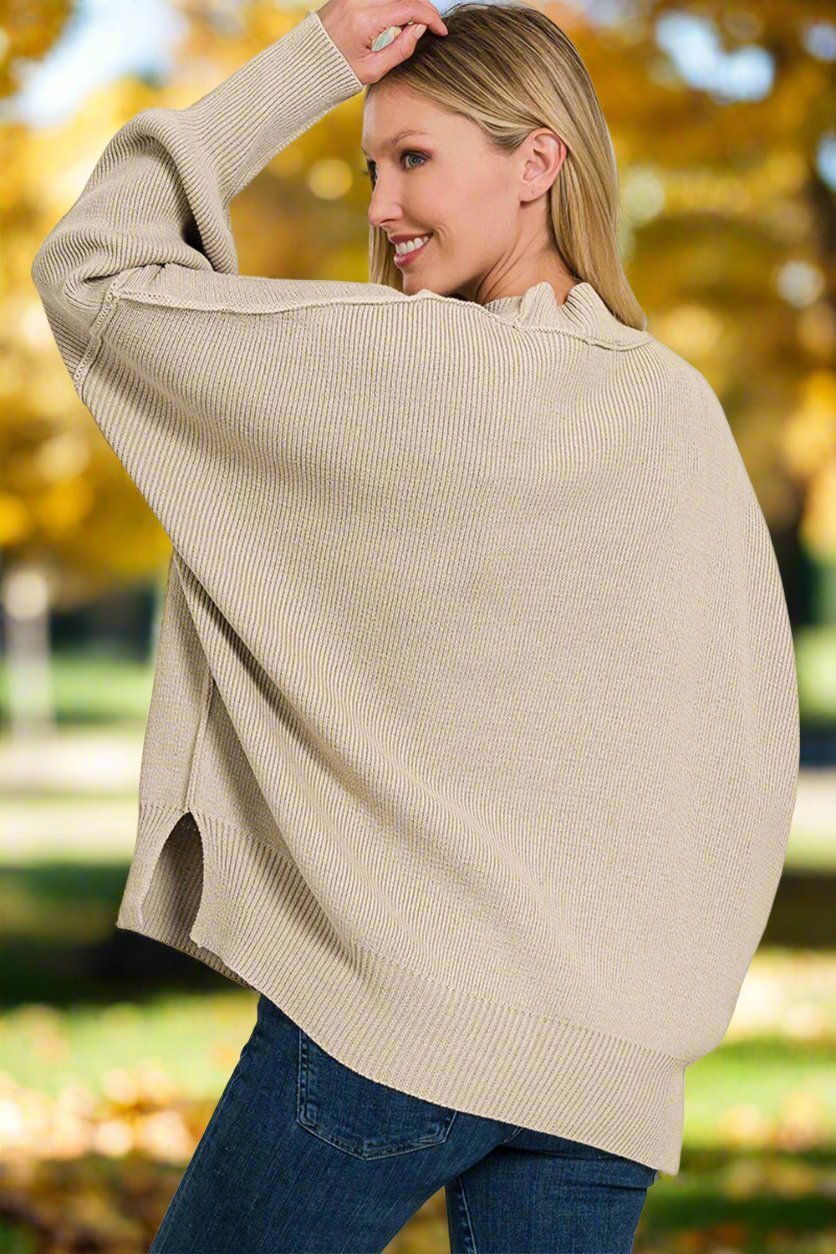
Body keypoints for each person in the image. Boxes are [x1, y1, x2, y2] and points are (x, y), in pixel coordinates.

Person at [30, 0, 799, 1250]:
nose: (381, 203)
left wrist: (312, 65)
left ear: (536, 161)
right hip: (606, 1075)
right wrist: (660, 1009)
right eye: (369, 165)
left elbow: (93, 272)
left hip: (393, 1030)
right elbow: (747, 742)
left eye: (413, 158)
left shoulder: (395, 367)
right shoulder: (675, 411)